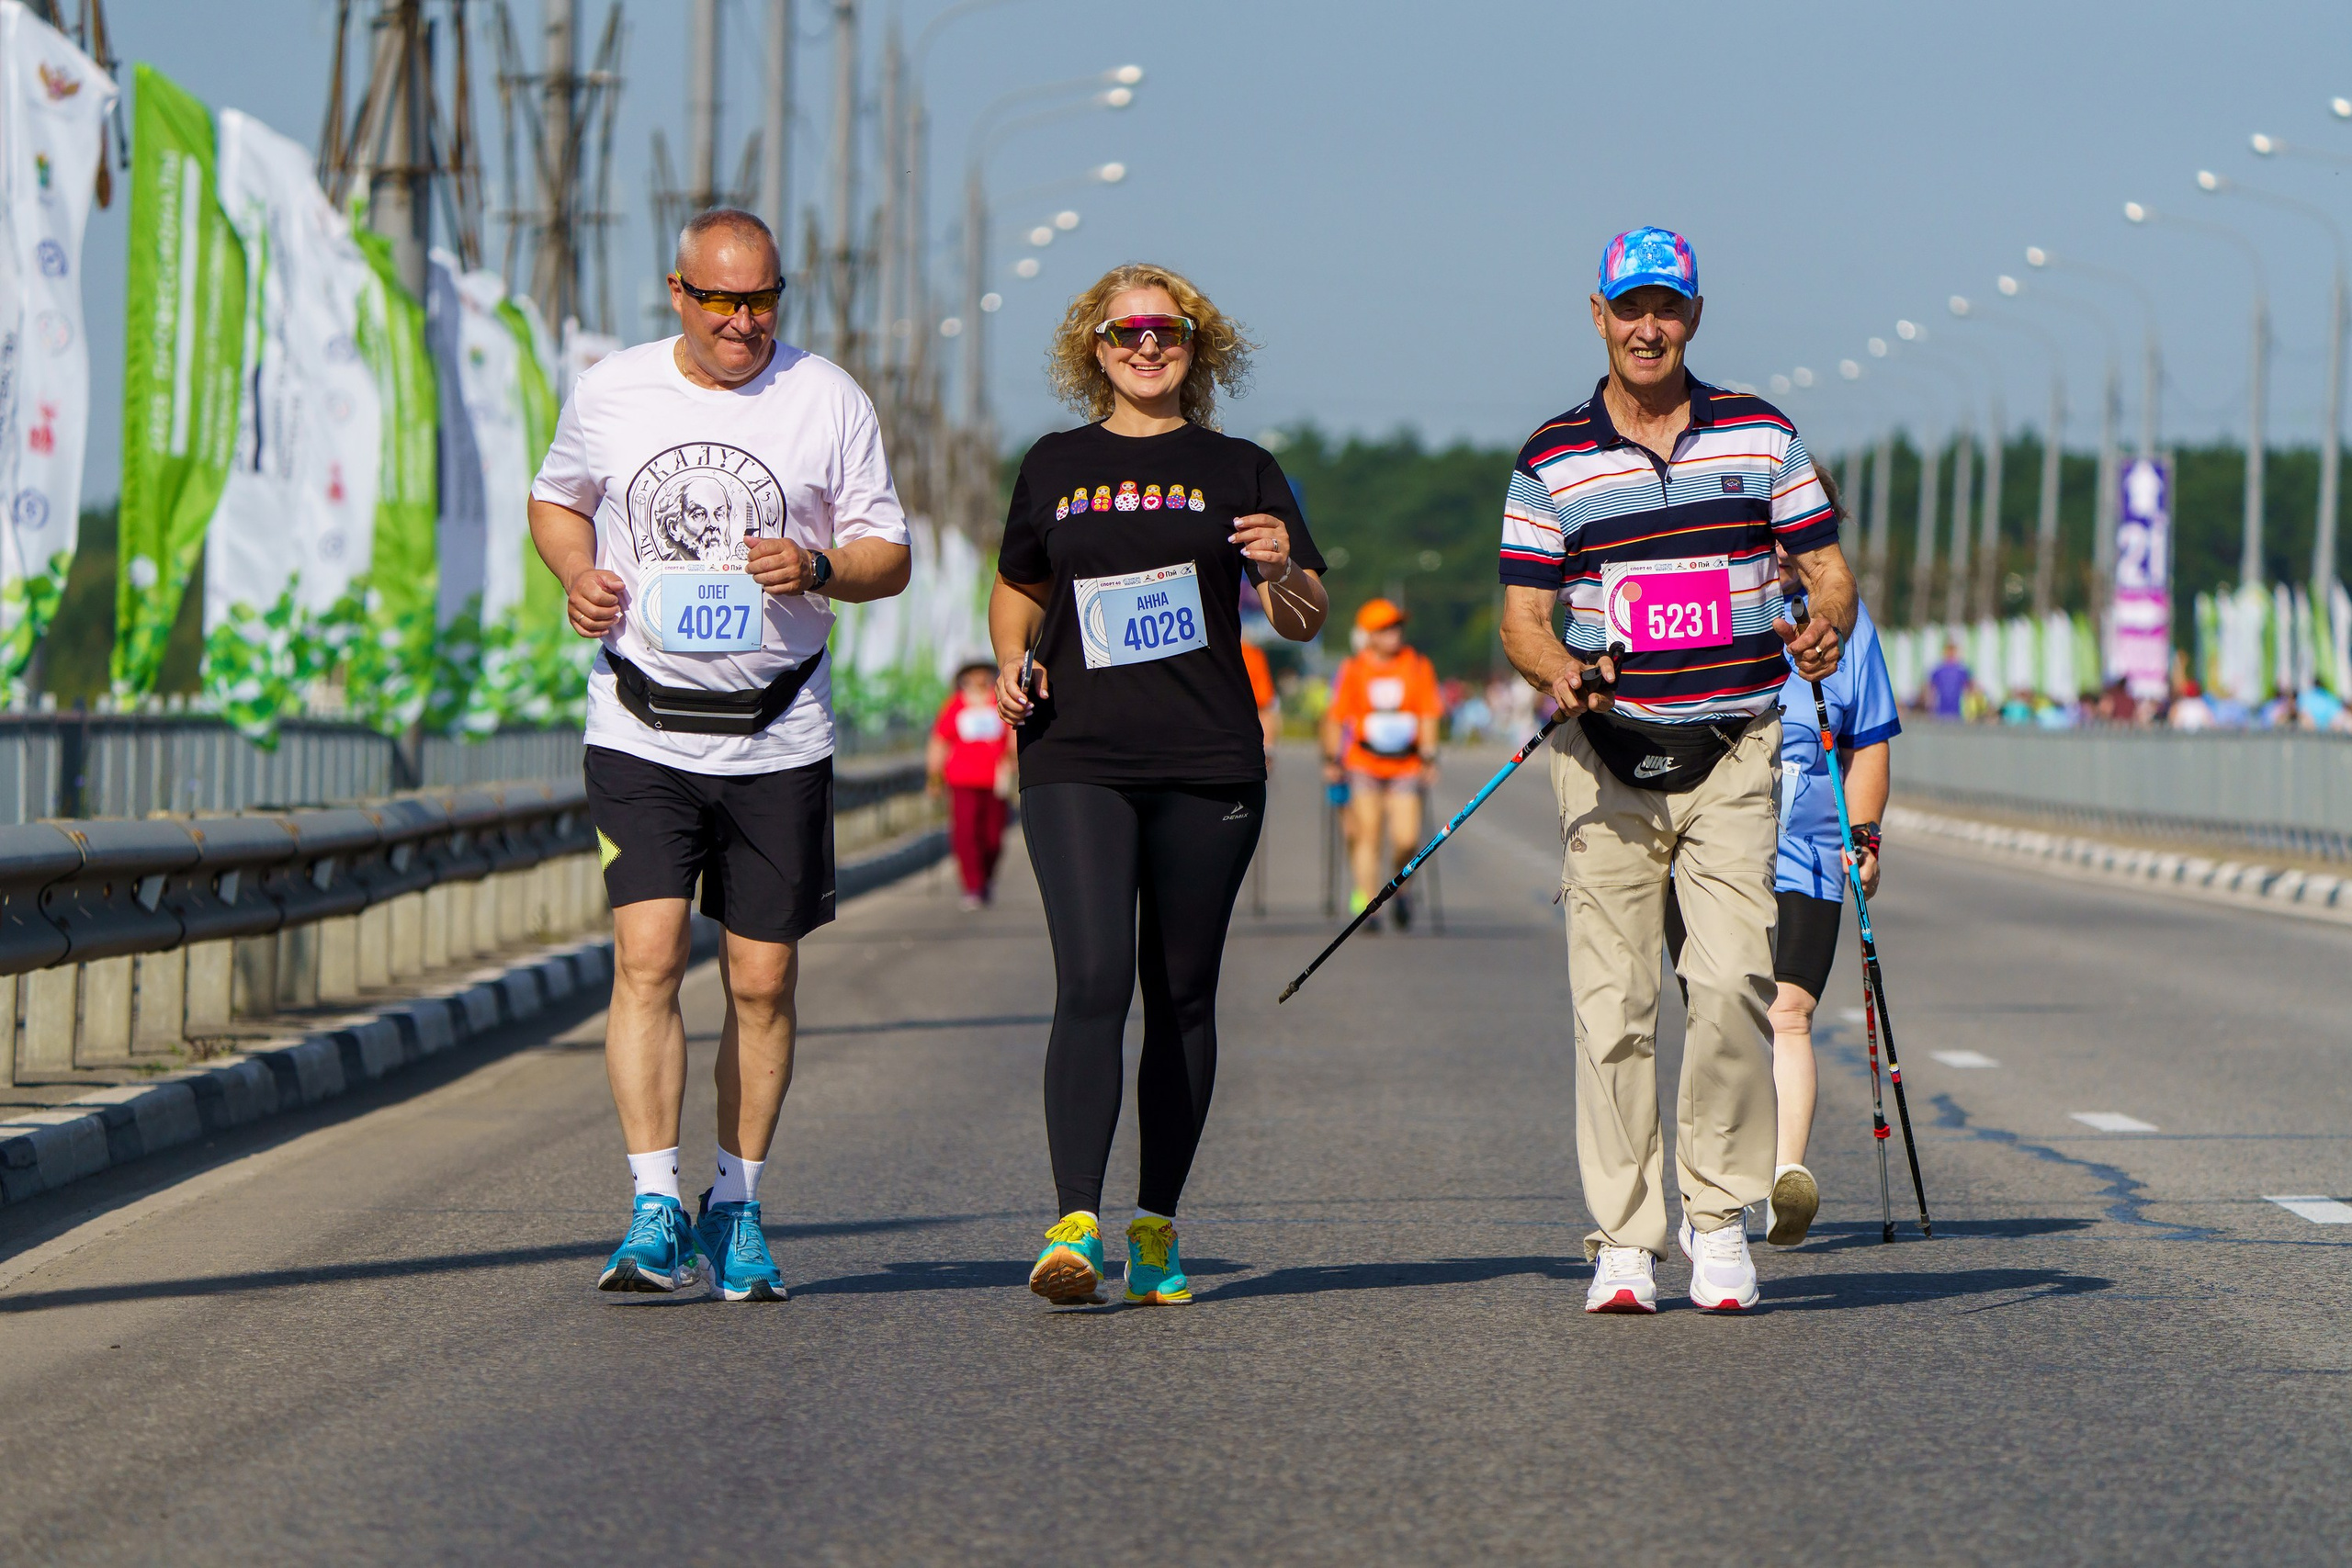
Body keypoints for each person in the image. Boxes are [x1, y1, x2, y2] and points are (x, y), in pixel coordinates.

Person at [528, 208, 911, 1302]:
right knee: (646, 959)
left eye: (763, 301)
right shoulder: (613, 390)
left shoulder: (826, 397)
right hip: (640, 723)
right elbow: (558, 501)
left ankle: (735, 1203)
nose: (744, 323)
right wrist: (576, 574)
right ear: (677, 293)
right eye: (722, 301)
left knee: (762, 977)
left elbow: (892, 553)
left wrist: (822, 566)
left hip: (778, 730)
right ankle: (654, 1206)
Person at [1496, 225, 1855, 1314]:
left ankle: (1715, 1220)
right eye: (1629, 307)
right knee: (1613, 1006)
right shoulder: (1553, 457)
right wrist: (1561, 669)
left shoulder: (1760, 436)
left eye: (1667, 307)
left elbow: (1828, 574)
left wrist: (1822, 628)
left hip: (1733, 751)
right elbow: (1521, 618)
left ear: (1692, 316)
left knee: (1732, 985)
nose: (1647, 326)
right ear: (1598, 316)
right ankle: (1621, 1237)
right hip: (1606, 763)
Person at [991, 263, 1329, 1307]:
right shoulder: (1053, 464)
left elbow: (1306, 616)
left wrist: (1281, 568)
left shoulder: (1241, 469)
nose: (1147, 347)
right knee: (1093, 979)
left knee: (1179, 995)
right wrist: (1011, 659)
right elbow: (1019, 587)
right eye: (1125, 332)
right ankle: (1073, 1223)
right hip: (1075, 755)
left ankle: (1155, 1224)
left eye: (1168, 330)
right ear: (1091, 348)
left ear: (1198, 342)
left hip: (1206, 759)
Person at [1664, 475, 1897, 1248]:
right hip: (1707, 847)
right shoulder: (1712, 609)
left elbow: (1868, 742)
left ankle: (1783, 1179)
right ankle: (1713, 1190)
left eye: (1804, 530)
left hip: (1807, 853)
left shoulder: (1847, 627)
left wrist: (1863, 841)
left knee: (1787, 1013)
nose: (1787, 547)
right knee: (1721, 1010)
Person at [1320, 598, 1442, 926]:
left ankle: (1400, 892)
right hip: (1363, 762)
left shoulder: (1417, 665)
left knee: (1406, 839)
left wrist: (1430, 757)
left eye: (1397, 627)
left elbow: (1429, 713)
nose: (1395, 634)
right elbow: (1336, 717)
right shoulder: (1354, 669)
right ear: (1369, 635)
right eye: (1386, 629)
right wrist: (1332, 759)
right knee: (1367, 836)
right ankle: (1368, 903)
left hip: (1406, 765)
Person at [928, 660, 1016, 908]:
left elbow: (1013, 732)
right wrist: (934, 775)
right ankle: (973, 885)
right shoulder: (955, 705)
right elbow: (939, 741)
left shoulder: (999, 700)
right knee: (966, 833)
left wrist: (1012, 758)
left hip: (994, 780)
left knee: (993, 836)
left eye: (983, 673)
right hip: (962, 780)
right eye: (973, 673)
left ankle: (986, 876)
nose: (979, 677)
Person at [1926, 638, 1972, 717]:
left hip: (1958, 710)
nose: (1950, 654)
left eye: (1952, 651)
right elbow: (1931, 688)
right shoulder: (1938, 670)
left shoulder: (1962, 670)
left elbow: (1967, 688)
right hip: (1941, 709)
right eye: (1948, 651)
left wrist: (1968, 708)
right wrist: (1930, 704)